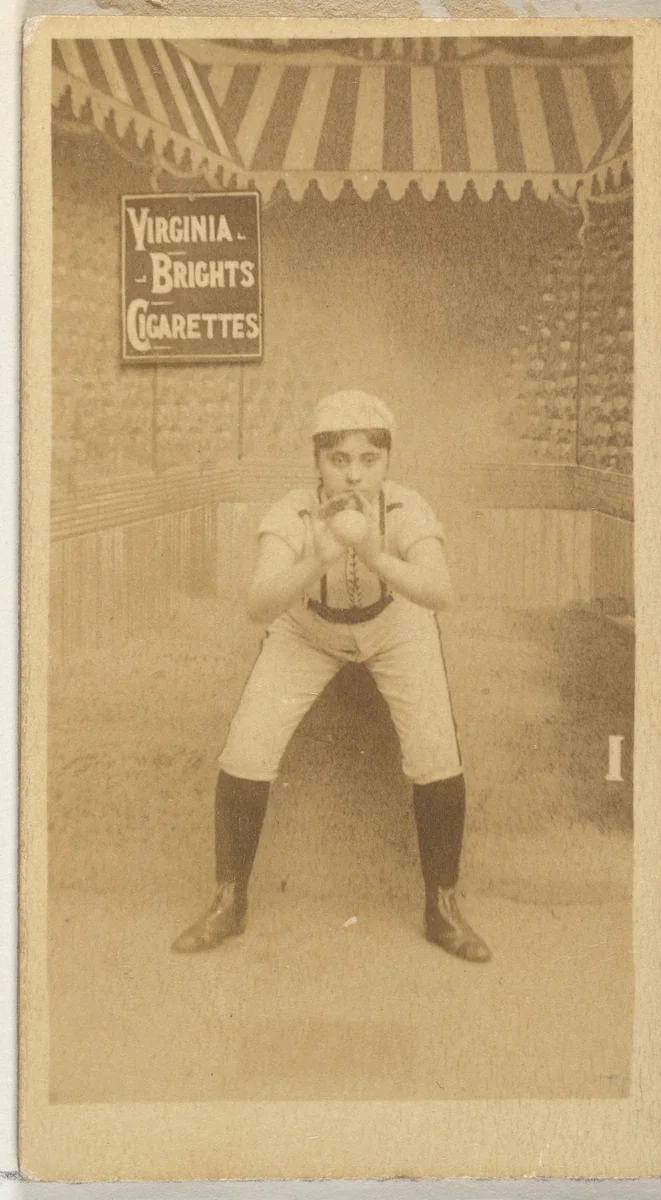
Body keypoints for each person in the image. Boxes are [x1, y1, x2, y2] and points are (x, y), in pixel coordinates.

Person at [171, 391, 491, 963]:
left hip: (397, 627)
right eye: (338, 460)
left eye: (369, 460)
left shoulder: (403, 508)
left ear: (387, 462)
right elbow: (257, 605)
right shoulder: (294, 511)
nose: (354, 475)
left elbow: (441, 592)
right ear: (317, 463)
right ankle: (229, 899)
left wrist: (374, 554)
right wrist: (315, 558)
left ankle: (442, 907)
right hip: (307, 632)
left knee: (436, 754)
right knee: (246, 748)